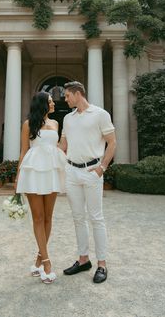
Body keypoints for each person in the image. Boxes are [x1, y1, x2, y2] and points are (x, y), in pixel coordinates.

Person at [58, 81, 116, 284]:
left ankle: (102, 264)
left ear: (77, 93)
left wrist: (102, 168)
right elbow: (62, 146)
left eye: (67, 95)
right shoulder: (67, 118)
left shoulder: (100, 114)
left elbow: (112, 142)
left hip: (92, 171)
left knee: (96, 218)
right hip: (71, 171)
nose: (64, 99)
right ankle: (83, 260)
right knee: (77, 217)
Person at [15, 91, 66, 284]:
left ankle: (38, 259)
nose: (54, 104)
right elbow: (23, 151)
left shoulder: (55, 124)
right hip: (33, 171)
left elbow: (60, 147)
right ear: (42, 104)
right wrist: (18, 178)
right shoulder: (28, 124)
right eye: (51, 101)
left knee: (48, 216)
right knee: (37, 217)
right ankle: (46, 263)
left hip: (51, 170)